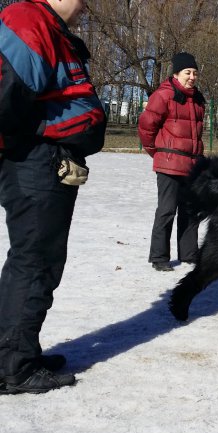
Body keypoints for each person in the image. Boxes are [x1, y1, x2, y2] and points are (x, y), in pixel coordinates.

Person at [0, 0, 107, 394]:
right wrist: (36, 139)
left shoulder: (48, 26)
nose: (85, 7)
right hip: (34, 163)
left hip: (46, 162)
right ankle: (15, 366)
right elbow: (6, 96)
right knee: (34, 261)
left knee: (39, 259)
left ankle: (16, 350)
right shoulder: (28, 19)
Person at [138, 52, 206, 272]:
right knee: (167, 210)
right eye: (187, 72)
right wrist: (158, 153)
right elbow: (146, 127)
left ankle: (188, 254)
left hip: (192, 166)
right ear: (176, 74)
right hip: (168, 164)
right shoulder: (163, 95)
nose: (192, 77)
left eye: (195, 73)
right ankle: (159, 257)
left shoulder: (197, 99)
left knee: (190, 210)